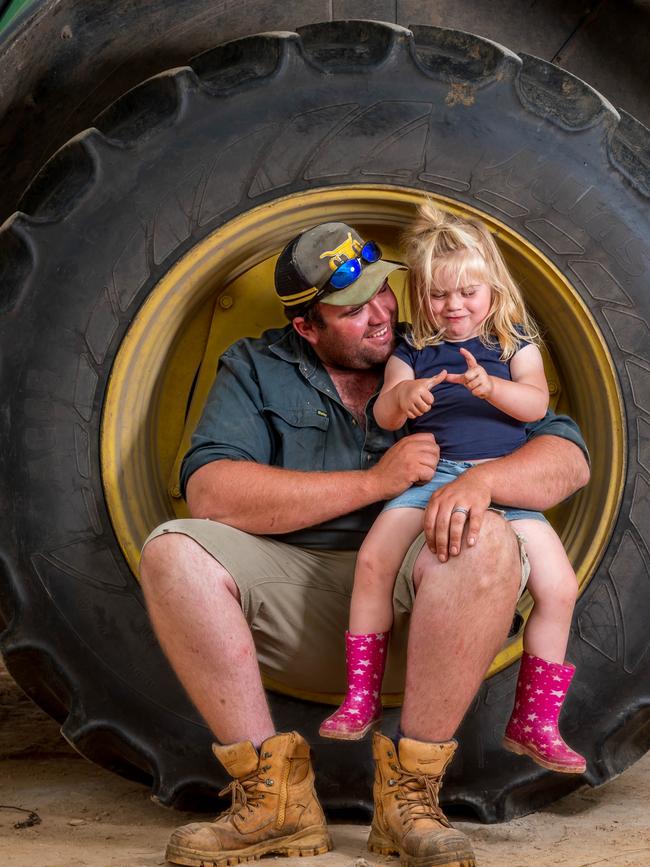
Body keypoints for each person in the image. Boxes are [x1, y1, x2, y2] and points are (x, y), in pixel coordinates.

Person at [139, 220, 590, 867]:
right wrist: (374, 481)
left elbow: (567, 460)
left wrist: (485, 480)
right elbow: (213, 492)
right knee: (172, 551)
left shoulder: (445, 344)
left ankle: (410, 796)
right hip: (299, 591)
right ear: (307, 327)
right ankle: (272, 804)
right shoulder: (256, 366)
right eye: (352, 308)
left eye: (384, 292)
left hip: (429, 605)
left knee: (487, 539)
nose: (381, 314)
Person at [318, 203, 586, 776]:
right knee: (373, 562)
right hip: (429, 478)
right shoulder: (412, 347)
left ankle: (535, 719)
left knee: (560, 587)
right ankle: (361, 695)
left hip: (503, 481)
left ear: (492, 287)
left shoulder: (515, 343)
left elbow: (536, 404)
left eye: (467, 292)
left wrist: (493, 389)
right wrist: (405, 399)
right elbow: (386, 410)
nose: (454, 306)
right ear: (421, 294)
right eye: (439, 295)